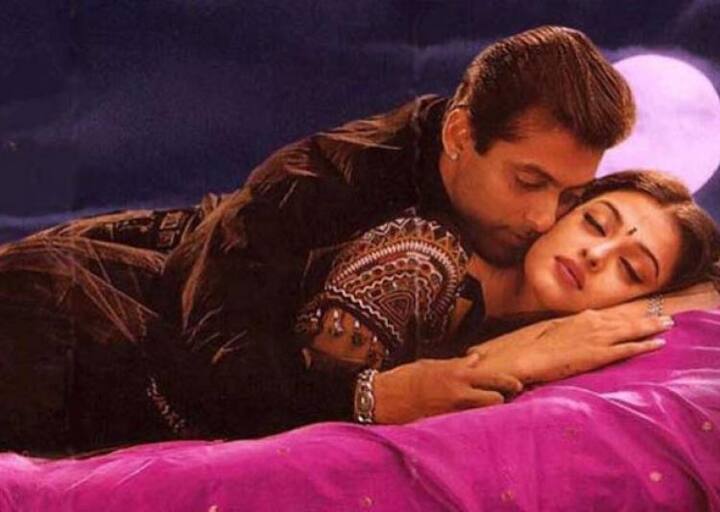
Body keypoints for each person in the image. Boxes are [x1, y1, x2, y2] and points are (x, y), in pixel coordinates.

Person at [1, 170, 717, 455]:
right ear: (564, 208)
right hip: (82, 316)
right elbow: (280, 414)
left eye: (630, 268)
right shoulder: (424, 259)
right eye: (596, 223)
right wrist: (441, 379)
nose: (596, 255)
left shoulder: (509, 322)